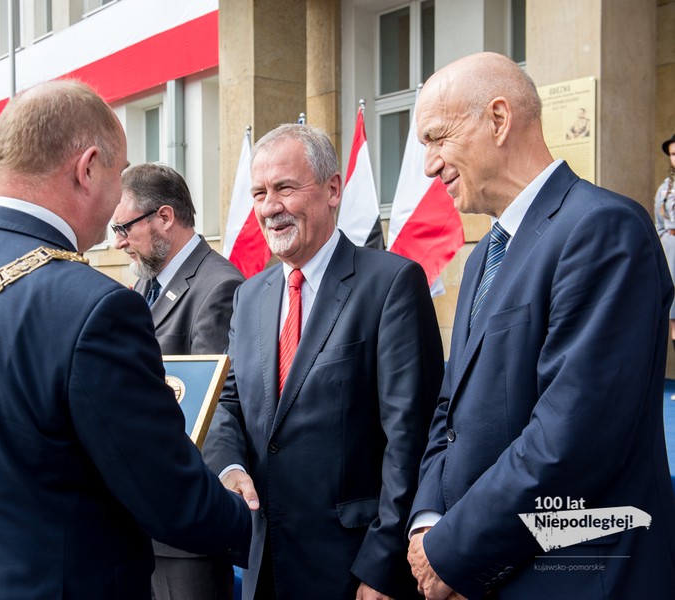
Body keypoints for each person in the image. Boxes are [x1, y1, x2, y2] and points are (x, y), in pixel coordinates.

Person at [0, 79, 250, 599]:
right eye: (117, 175)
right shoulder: (91, 304)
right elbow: (165, 495)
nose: (117, 196)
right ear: (88, 167)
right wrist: (255, 527)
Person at [406, 52, 675, 600]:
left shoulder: (603, 229)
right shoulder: (485, 255)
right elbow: (450, 408)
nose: (429, 166)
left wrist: (454, 551)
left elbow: (572, 439)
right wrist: (428, 520)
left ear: (499, 120)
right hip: (484, 567)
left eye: (437, 138)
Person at [203, 124, 444, 600]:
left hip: (351, 569)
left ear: (333, 190)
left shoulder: (391, 284)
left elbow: (410, 436)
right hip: (264, 562)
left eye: (285, 188)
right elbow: (228, 402)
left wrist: (384, 564)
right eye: (259, 193)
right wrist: (228, 465)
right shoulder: (250, 295)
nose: (270, 206)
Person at [112, 163, 245, 600]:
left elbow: (211, 408)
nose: (118, 241)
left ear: (165, 217)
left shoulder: (218, 285)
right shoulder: (141, 289)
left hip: (181, 534)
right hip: (140, 519)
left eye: (124, 227)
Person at [655, 133, 675, 359]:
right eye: (672, 154)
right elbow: (659, 222)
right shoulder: (665, 188)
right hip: (671, 250)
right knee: (673, 317)